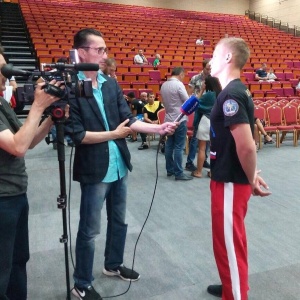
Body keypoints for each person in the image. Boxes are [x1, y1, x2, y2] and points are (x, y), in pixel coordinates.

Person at [66, 28, 177, 300]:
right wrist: (114, 135)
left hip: (118, 164)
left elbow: (128, 120)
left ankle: (112, 264)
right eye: (99, 49)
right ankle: (81, 282)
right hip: (94, 168)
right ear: (82, 52)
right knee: (89, 230)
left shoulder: (110, 83)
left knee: (119, 221)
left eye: (105, 49)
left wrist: (157, 128)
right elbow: (77, 135)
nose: (105, 54)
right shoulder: (71, 87)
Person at [207, 37, 271, 300]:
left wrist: (251, 176)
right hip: (228, 178)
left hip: (231, 182)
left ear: (227, 58)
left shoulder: (232, 93)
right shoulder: (233, 91)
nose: (210, 58)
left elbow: (246, 146)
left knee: (229, 245)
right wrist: (251, 174)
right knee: (229, 243)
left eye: (215, 53)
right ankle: (232, 285)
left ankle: (235, 294)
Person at [0, 52, 63, 300]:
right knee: (2, 268)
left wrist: (50, 119)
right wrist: (37, 105)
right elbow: (17, 147)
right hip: (2, 199)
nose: (7, 75)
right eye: (2, 69)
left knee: (18, 261)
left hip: (15, 195)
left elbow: (28, 142)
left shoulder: (2, 103)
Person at [160, 66, 193, 181]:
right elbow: (187, 101)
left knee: (169, 144)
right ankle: (179, 173)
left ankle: (170, 169)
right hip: (179, 118)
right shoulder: (179, 85)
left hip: (168, 117)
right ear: (181, 74)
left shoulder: (164, 85)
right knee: (179, 146)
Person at [191, 76, 222, 178]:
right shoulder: (221, 95)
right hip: (217, 123)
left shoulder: (208, 95)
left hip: (206, 121)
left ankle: (199, 172)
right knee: (215, 149)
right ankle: (213, 171)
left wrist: (201, 90)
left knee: (202, 148)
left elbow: (196, 103)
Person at [185, 59, 211, 172]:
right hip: (199, 109)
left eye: (211, 68)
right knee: (195, 137)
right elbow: (189, 94)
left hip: (209, 110)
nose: (209, 70)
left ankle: (203, 160)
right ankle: (189, 162)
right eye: (208, 68)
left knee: (208, 137)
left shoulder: (212, 79)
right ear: (203, 67)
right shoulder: (196, 78)